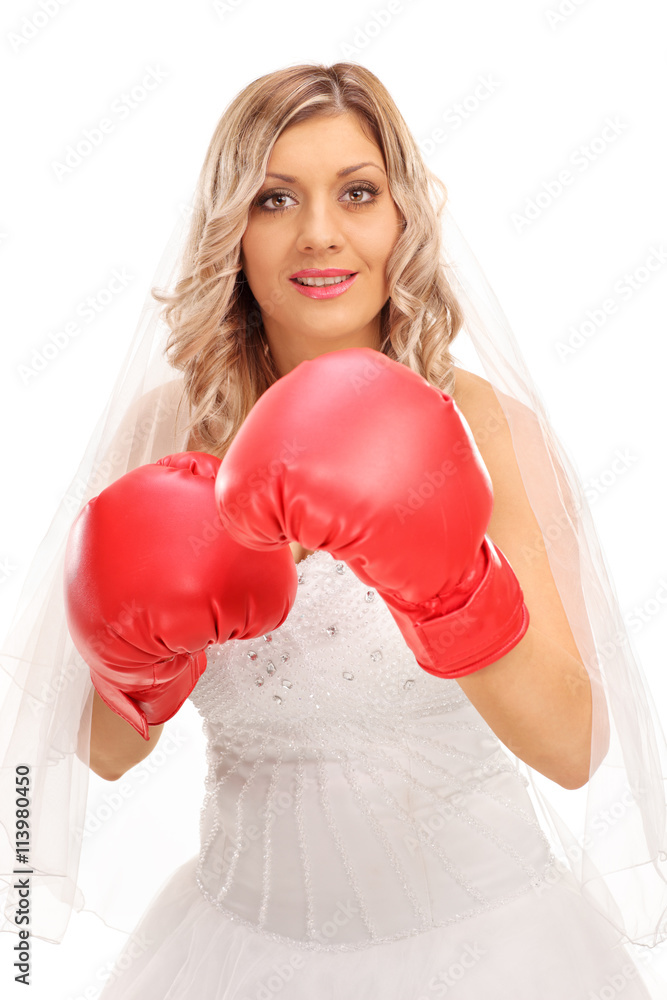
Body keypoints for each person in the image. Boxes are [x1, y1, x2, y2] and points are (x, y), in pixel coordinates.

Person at [1, 62, 666, 999]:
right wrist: (141, 662)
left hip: (488, 951)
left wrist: (449, 588)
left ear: (403, 219)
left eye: (357, 192)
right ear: (232, 229)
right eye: (275, 198)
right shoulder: (164, 435)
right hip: (238, 950)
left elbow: (573, 747)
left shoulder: (481, 430)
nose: (320, 233)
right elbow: (104, 754)